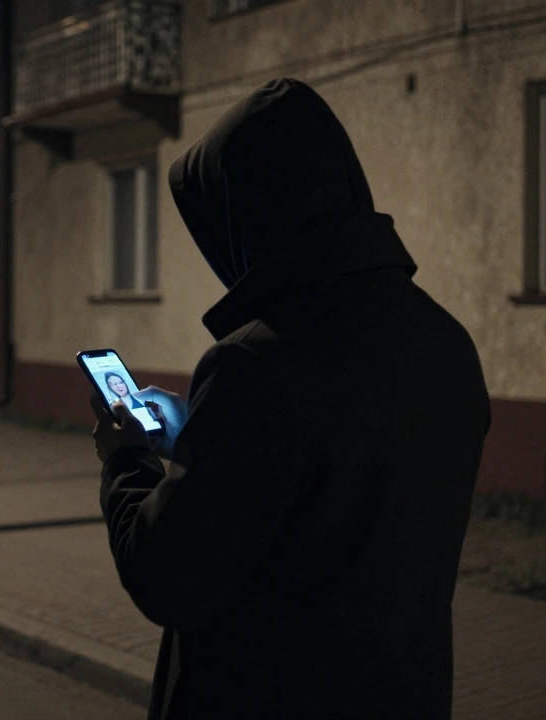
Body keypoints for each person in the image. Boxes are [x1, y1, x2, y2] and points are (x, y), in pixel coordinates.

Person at [89, 77, 491, 719]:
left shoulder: (254, 362)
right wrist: (200, 435)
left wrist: (126, 460)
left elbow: (168, 577)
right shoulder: (444, 340)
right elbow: (333, 469)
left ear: (249, 214)